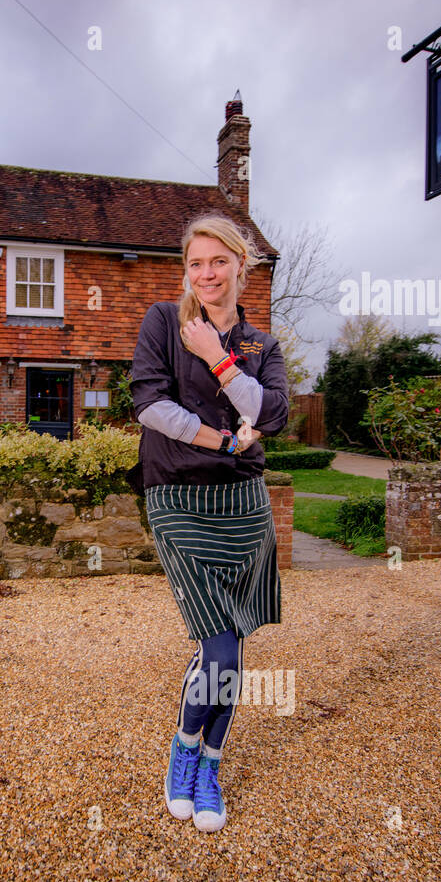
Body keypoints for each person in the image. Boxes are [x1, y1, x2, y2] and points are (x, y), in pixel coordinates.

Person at [129, 213, 290, 833]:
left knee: (233, 643)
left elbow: (271, 414)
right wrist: (227, 440)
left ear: (240, 267)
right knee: (218, 647)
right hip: (176, 493)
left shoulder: (259, 344)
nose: (206, 274)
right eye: (195, 263)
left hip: (243, 505)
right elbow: (152, 406)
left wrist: (220, 361)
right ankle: (183, 750)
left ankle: (209, 765)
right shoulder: (164, 322)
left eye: (218, 262)